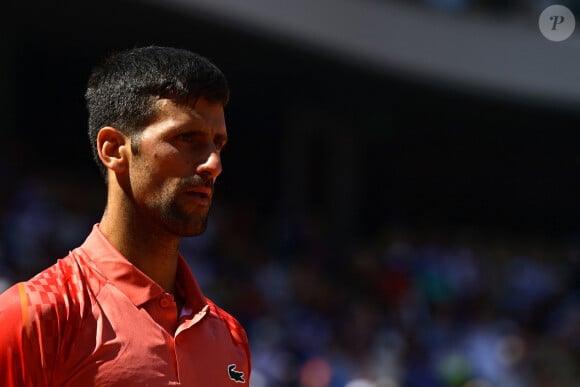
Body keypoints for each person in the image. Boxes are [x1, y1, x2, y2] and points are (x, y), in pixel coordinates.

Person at [0, 46, 251, 386]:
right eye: (187, 138)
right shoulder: (34, 316)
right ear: (114, 149)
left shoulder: (231, 337)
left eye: (217, 144)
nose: (213, 164)